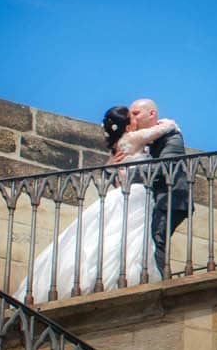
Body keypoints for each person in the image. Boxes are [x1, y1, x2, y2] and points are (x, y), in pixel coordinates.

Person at [16, 106, 180, 304]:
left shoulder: (122, 144)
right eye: (132, 116)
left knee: (126, 236)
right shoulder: (131, 139)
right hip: (135, 195)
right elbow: (163, 129)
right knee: (124, 236)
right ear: (128, 126)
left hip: (135, 195)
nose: (136, 119)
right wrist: (169, 123)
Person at [130, 98, 193, 277]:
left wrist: (128, 176)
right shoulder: (142, 139)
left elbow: (165, 166)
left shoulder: (172, 135)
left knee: (157, 238)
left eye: (136, 113)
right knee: (147, 240)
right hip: (151, 200)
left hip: (171, 198)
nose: (132, 118)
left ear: (152, 114)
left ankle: (162, 282)